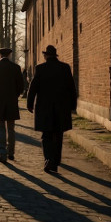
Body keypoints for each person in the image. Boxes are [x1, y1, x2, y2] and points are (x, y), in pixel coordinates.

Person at [27, 45, 77, 173]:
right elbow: (71, 88)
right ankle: (56, 161)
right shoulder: (65, 68)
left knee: (47, 134)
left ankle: (48, 158)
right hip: (61, 107)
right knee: (58, 134)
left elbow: (33, 88)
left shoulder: (40, 69)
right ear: (55, 56)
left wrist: (30, 103)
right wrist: (73, 105)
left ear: (45, 56)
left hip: (45, 108)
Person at [0, 48, 24, 163]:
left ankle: (2, 153)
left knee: (1, 128)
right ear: (10, 55)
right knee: (11, 128)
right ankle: (11, 153)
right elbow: (20, 86)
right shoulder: (16, 68)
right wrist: (15, 96)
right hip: (11, 102)